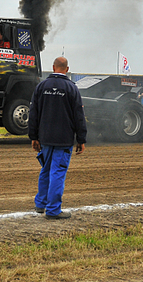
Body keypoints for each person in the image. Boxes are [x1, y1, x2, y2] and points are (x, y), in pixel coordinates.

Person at [28, 56, 87, 219]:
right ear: (66, 70)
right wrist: (81, 139)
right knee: (58, 172)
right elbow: (79, 116)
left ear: (53, 68)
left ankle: (40, 204)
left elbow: (33, 113)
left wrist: (34, 136)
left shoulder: (41, 86)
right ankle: (53, 210)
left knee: (46, 170)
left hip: (45, 138)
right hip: (64, 139)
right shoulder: (72, 88)